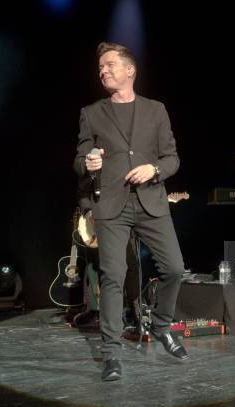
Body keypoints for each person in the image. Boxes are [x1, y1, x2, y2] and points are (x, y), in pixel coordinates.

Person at [73, 42, 187, 381]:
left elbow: (172, 159)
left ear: (130, 70)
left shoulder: (156, 110)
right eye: (100, 68)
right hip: (110, 204)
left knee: (175, 268)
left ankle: (163, 326)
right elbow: (79, 161)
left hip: (151, 201)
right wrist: (89, 162)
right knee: (113, 277)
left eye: (109, 65)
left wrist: (154, 169)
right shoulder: (92, 113)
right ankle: (111, 354)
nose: (103, 71)